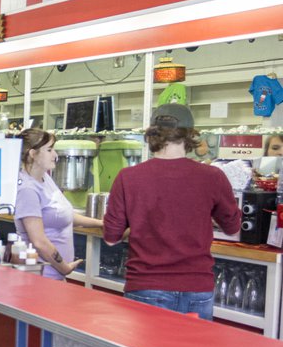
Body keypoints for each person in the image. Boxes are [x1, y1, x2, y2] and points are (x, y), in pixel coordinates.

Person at [104, 104, 241, 319]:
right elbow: (233, 228)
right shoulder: (213, 176)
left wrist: (141, 223)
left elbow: (111, 238)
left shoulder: (128, 177)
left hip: (145, 285)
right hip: (197, 288)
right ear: (190, 135)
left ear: (151, 134)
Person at [14, 129, 103, 280]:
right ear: (32, 154)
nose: (55, 155)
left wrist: (99, 223)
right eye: (49, 150)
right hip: (40, 276)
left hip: (54, 274)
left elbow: (62, 214)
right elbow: (39, 241)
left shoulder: (45, 179)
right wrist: (65, 267)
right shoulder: (28, 190)